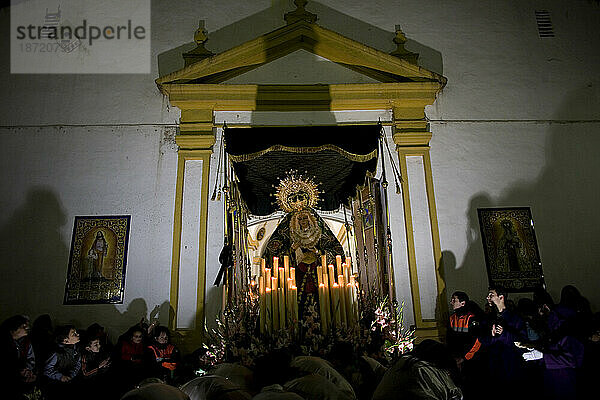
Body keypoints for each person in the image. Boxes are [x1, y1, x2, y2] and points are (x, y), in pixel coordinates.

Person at [479, 286, 527, 399]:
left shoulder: (515, 318)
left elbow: (523, 341)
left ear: (501, 297)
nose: (488, 298)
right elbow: (482, 339)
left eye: (491, 295)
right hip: (493, 364)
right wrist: (491, 337)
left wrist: (505, 334)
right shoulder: (488, 318)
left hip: (511, 364)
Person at [0, 314, 37, 399]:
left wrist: (27, 371)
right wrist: (18, 372)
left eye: (27, 325)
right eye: (23, 326)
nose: (27, 328)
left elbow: (31, 359)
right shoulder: (3, 342)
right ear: (13, 329)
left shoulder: (26, 343)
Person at [43, 325, 81, 400]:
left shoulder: (76, 348)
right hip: (55, 385)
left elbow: (78, 363)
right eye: (74, 334)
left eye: (76, 332)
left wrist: (71, 375)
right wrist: (60, 377)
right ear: (65, 341)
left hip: (70, 379)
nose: (78, 334)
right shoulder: (56, 354)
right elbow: (47, 370)